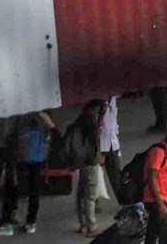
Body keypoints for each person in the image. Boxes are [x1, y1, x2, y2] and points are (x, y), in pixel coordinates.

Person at [0, 111, 55, 237]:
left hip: (21, 158)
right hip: (38, 158)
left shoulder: (19, 115)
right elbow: (51, 132)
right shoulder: (43, 115)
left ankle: (6, 223)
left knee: (11, 187)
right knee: (34, 191)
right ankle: (31, 223)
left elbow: (9, 136)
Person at [76, 100, 104, 237]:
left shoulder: (82, 115)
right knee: (90, 194)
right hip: (90, 159)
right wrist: (101, 117)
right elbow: (95, 137)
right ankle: (91, 226)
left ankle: (82, 223)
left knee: (81, 193)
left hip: (82, 159)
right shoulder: (92, 116)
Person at [100, 96, 123, 203]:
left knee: (117, 176)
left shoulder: (113, 100)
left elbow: (113, 120)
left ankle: (123, 200)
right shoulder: (96, 103)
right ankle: (89, 205)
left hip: (112, 143)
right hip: (99, 144)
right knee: (94, 178)